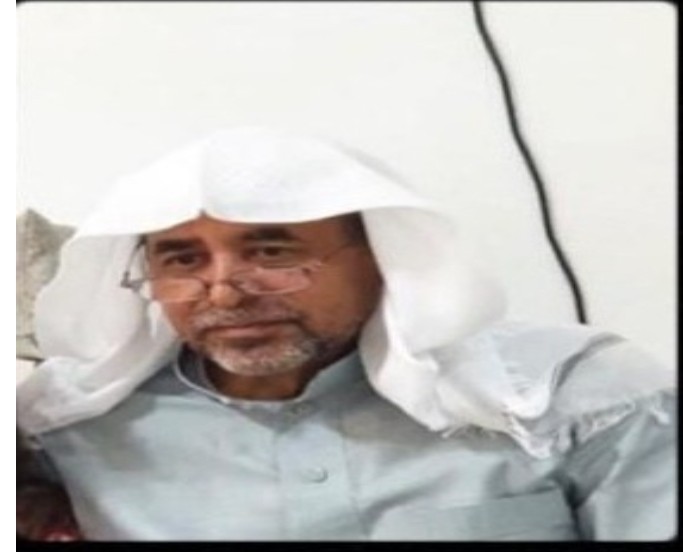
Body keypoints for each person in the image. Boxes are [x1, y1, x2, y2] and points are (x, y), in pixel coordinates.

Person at [17, 127, 675, 541]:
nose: (223, 292)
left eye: (272, 251)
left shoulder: (577, 398)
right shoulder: (64, 427)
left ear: (381, 255)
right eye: (182, 259)